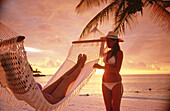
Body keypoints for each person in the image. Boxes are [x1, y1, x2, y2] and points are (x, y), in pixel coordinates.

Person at [93, 31, 124, 111]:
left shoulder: (119, 53)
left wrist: (101, 67)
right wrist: (102, 43)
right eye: (107, 41)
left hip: (116, 83)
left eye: (109, 41)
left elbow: (117, 70)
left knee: (115, 109)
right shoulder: (108, 52)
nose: (107, 43)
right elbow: (99, 54)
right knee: (108, 109)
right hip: (105, 83)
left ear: (115, 41)